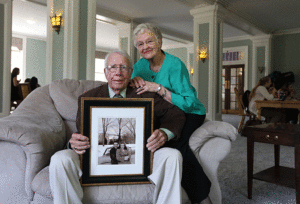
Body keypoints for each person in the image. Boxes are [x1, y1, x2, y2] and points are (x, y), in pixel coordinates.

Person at [49, 50, 186, 204]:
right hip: (92, 160)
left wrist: (164, 133)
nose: (118, 73)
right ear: (106, 72)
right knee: (60, 159)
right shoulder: (88, 98)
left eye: (123, 68)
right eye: (113, 67)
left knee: (172, 156)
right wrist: (72, 144)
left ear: (131, 72)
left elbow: (176, 114)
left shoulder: (145, 94)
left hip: (146, 157)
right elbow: (82, 133)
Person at [130, 23, 211, 204]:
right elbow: (134, 92)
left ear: (159, 41)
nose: (145, 47)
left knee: (175, 147)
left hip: (189, 112)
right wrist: (133, 81)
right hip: (165, 115)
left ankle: (203, 198)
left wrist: (158, 88)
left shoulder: (175, 65)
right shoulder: (138, 66)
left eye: (150, 41)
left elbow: (189, 102)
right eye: (140, 44)